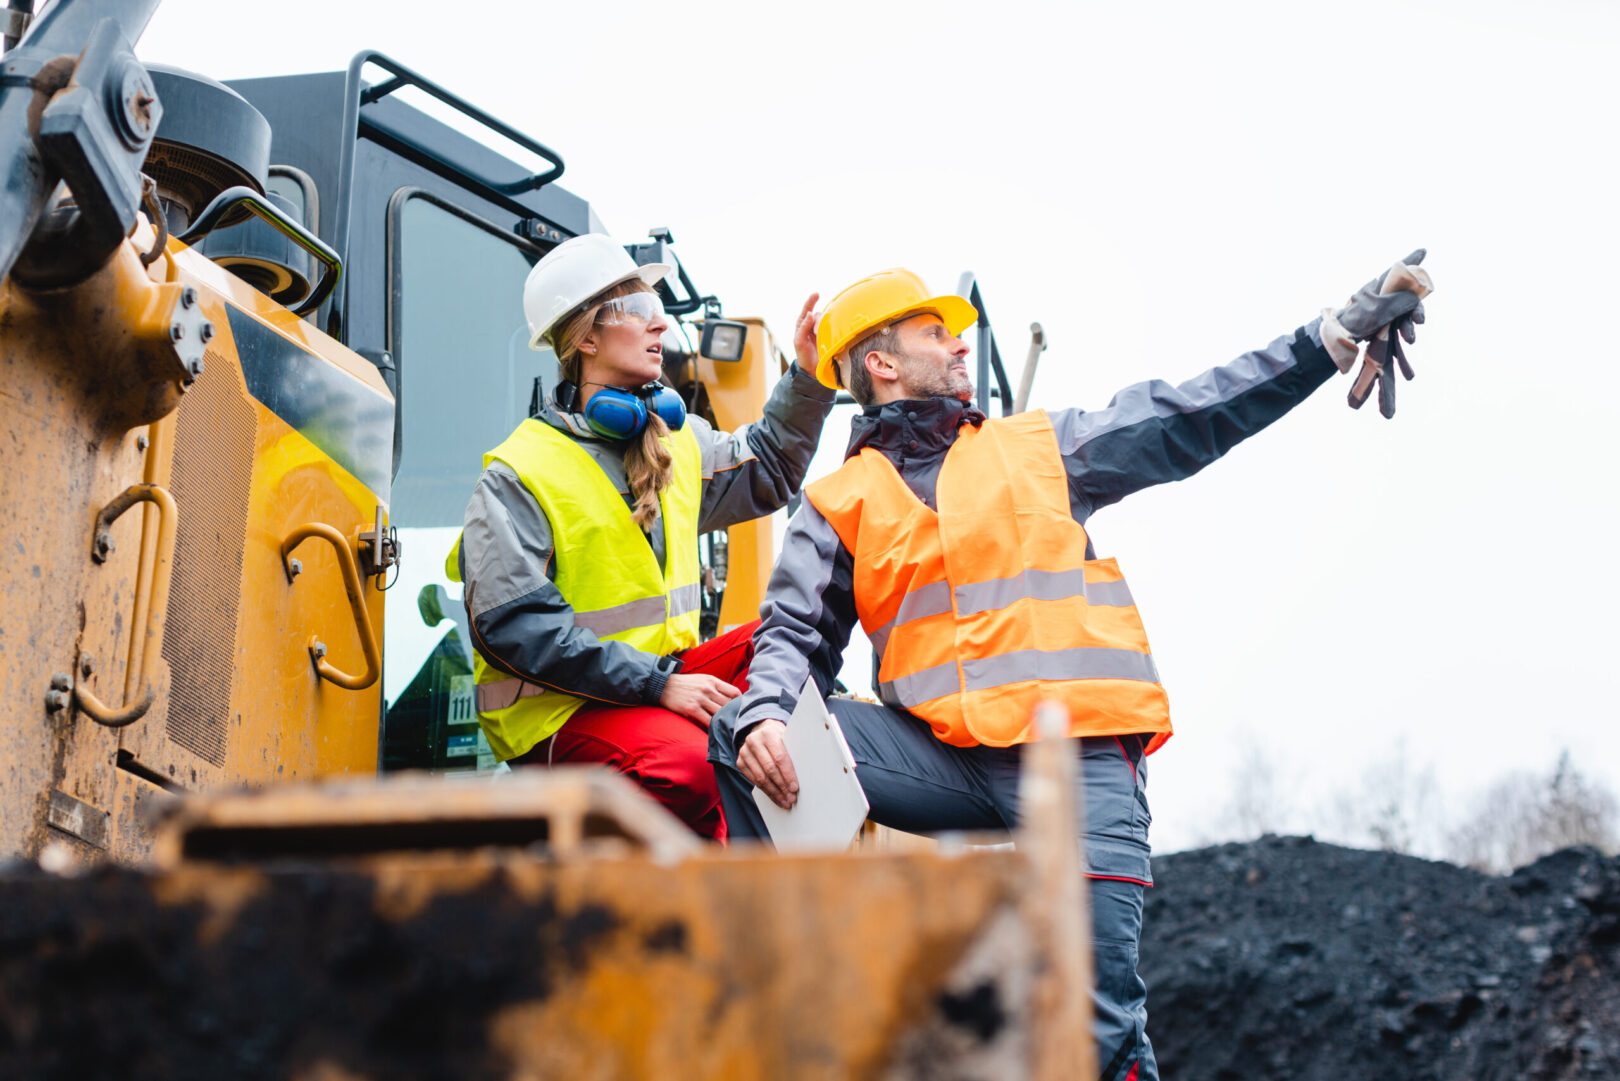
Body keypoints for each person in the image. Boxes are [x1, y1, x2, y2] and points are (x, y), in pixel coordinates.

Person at [709, 257, 1432, 1077]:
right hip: (942, 758)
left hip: (1077, 757)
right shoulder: (841, 499)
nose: (957, 345)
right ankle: (802, 994)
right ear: (881, 364)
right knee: (742, 725)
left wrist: (1325, 339)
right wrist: (769, 710)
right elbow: (792, 633)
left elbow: (1192, 411)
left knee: (1093, 1021)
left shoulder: (1039, 447)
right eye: (934, 332)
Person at [450, 233, 835, 841]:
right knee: (690, 768)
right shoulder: (518, 474)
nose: (661, 327)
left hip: (654, 684)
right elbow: (518, 630)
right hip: (562, 715)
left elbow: (768, 468)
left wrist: (810, 381)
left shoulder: (677, 445)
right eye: (639, 311)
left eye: (660, 312)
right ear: (586, 337)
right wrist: (660, 684)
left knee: (795, 650)